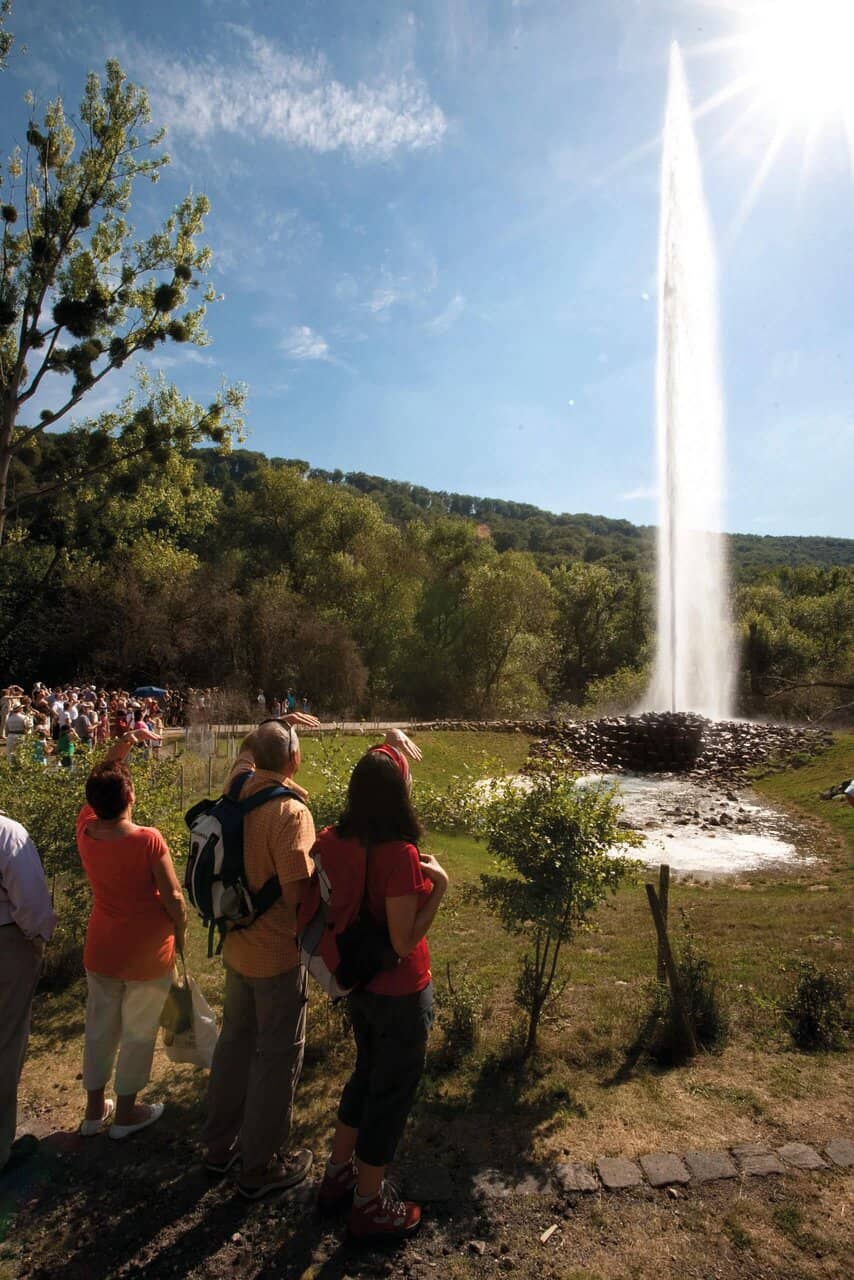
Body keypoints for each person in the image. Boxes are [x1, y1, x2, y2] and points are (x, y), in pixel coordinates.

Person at [316, 729, 448, 1242]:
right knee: (390, 1095)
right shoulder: (399, 856)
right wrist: (439, 887)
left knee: (364, 1076)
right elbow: (402, 937)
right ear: (399, 795)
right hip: (400, 990)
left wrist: (387, 743)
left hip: (358, 985)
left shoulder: (333, 839)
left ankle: (337, 1176)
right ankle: (368, 1203)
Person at [202, 712, 320, 1199]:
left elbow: (249, 752)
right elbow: (298, 896)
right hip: (276, 955)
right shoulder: (291, 813)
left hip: (236, 946)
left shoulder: (237, 786)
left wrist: (272, 723)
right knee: (277, 1055)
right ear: (294, 759)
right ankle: (259, 1165)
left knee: (234, 1044)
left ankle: (218, 1147)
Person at [76, 731, 187, 1140]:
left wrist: (122, 743)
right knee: (138, 1033)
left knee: (100, 1028)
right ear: (131, 797)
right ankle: (125, 1113)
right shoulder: (148, 839)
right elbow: (173, 895)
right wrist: (183, 929)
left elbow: (97, 779)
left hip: (101, 948)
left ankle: (92, 1112)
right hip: (146, 952)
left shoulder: (86, 830)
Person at [0, 814, 57, 1172]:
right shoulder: (8, 833)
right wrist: (38, 939)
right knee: (6, 1042)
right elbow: (33, 902)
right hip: (6, 943)